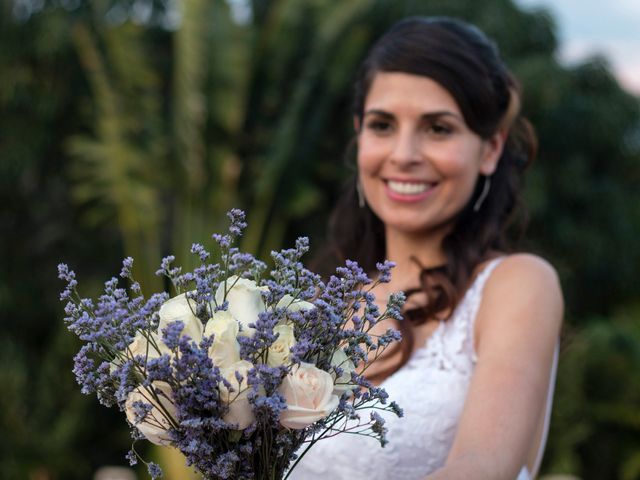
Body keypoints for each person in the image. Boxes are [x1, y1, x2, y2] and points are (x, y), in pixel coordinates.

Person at [290, 16, 563, 480]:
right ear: (360, 136)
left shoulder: (517, 287)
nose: (404, 154)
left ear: (491, 148)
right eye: (382, 125)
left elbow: (480, 468)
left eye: (438, 129)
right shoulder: (317, 308)